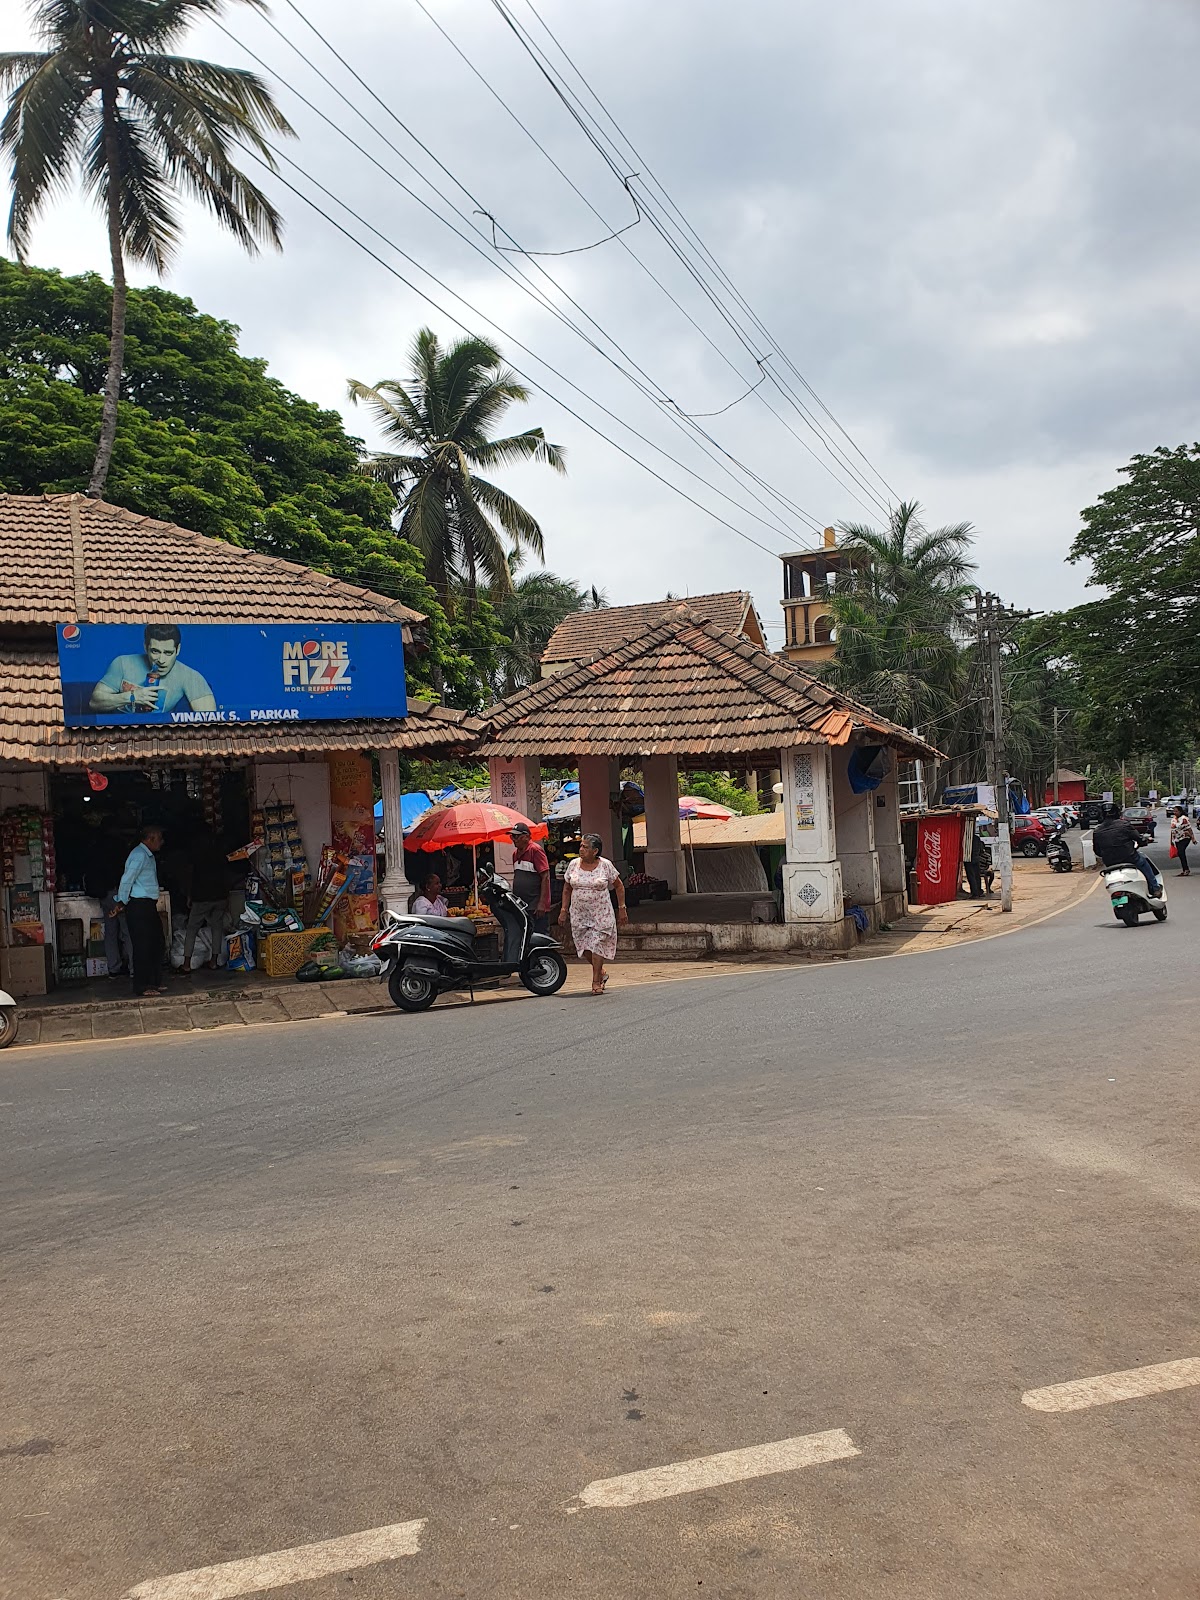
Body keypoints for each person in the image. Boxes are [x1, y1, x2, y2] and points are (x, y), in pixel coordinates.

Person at [90, 624, 216, 715]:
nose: (161, 660)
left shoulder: (190, 676)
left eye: (168, 653)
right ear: (145, 647)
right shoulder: (122, 663)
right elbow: (94, 702)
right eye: (155, 651)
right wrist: (132, 697)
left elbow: (211, 720)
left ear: (178, 650)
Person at [559, 831, 628, 994]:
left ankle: (596, 981)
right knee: (583, 947)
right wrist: (563, 910)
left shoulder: (605, 865)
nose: (581, 849)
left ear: (595, 851)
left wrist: (622, 908)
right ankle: (601, 972)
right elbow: (567, 888)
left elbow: (618, 886)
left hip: (600, 913)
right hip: (579, 914)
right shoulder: (573, 865)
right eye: (581, 846)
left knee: (596, 944)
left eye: (585, 847)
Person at [111, 824, 166, 996]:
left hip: (147, 905)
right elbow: (127, 880)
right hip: (138, 905)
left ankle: (153, 982)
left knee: (156, 943)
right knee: (143, 946)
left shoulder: (147, 856)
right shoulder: (138, 855)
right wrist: (121, 902)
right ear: (150, 839)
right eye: (159, 839)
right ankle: (142, 986)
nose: (161, 843)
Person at [181, 824, 231, 973]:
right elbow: (226, 874)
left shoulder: (195, 854)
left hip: (201, 897)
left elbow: (191, 876)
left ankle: (186, 963)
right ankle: (214, 961)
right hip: (219, 896)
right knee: (217, 927)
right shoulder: (220, 851)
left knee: (192, 928)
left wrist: (189, 895)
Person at [1092, 803, 1163, 897]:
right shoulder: (1124, 825)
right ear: (1118, 813)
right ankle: (1155, 888)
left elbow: (1097, 851)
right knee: (1143, 862)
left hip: (1110, 862)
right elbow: (1139, 839)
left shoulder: (1097, 831)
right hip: (1130, 858)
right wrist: (1145, 841)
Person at [509, 822, 551, 933]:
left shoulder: (535, 850)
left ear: (526, 837)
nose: (514, 839)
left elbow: (545, 877)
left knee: (539, 935)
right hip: (522, 905)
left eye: (516, 836)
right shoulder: (515, 854)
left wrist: (542, 903)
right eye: (512, 836)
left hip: (535, 906)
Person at [1170, 806, 1194, 876]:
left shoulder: (1184, 819)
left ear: (1180, 811)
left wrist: (1193, 838)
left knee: (1181, 852)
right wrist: (1171, 840)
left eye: (1176, 811)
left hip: (1185, 837)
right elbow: (1172, 830)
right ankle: (1185, 869)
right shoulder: (1173, 819)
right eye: (1174, 811)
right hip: (1177, 838)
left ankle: (1186, 870)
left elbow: (1189, 829)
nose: (1175, 812)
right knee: (1180, 853)